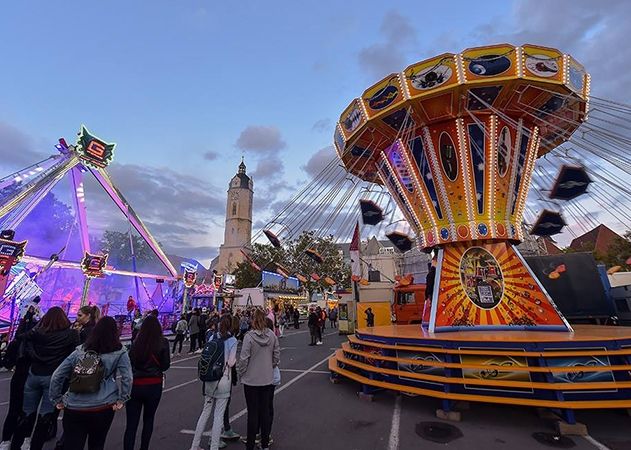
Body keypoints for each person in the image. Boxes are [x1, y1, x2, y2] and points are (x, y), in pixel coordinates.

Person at [50, 316, 132, 450]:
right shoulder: (119, 351)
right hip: (103, 405)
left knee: (72, 444)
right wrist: (122, 399)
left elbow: (57, 375)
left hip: (75, 405)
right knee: (97, 444)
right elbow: (127, 377)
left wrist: (57, 399)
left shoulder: (80, 351)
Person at [10, 307, 79, 450]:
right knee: (45, 416)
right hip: (53, 377)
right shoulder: (71, 335)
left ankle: (18, 444)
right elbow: (74, 356)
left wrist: (27, 318)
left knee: (26, 413)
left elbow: (20, 336)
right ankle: (36, 446)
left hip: (34, 374)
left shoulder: (38, 334)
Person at [189, 315, 238, 450]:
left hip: (209, 379)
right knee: (218, 416)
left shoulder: (212, 337)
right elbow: (231, 362)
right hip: (223, 379)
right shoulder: (232, 340)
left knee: (205, 412)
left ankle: (195, 445)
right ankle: (214, 446)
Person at [124, 315, 170, 450]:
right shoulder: (162, 342)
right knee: (148, 420)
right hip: (153, 384)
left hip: (136, 384)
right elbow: (165, 365)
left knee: (131, 424)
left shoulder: (136, 342)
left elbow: (130, 361)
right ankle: (144, 447)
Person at [238, 309, 280, 450]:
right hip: (267, 379)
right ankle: (264, 443)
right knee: (265, 412)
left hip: (251, 380)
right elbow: (276, 356)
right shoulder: (272, 336)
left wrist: (241, 373)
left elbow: (244, 358)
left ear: (253, 320)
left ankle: (250, 444)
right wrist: (269, 366)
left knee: (253, 413)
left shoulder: (249, 337)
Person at [0, 310, 38, 450]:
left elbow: (7, 363)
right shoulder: (40, 343)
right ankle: (25, 439)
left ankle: (6, 440)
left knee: (14, 409)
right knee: (29, 411)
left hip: (20, 377)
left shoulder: (18, 341)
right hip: (33, 378)